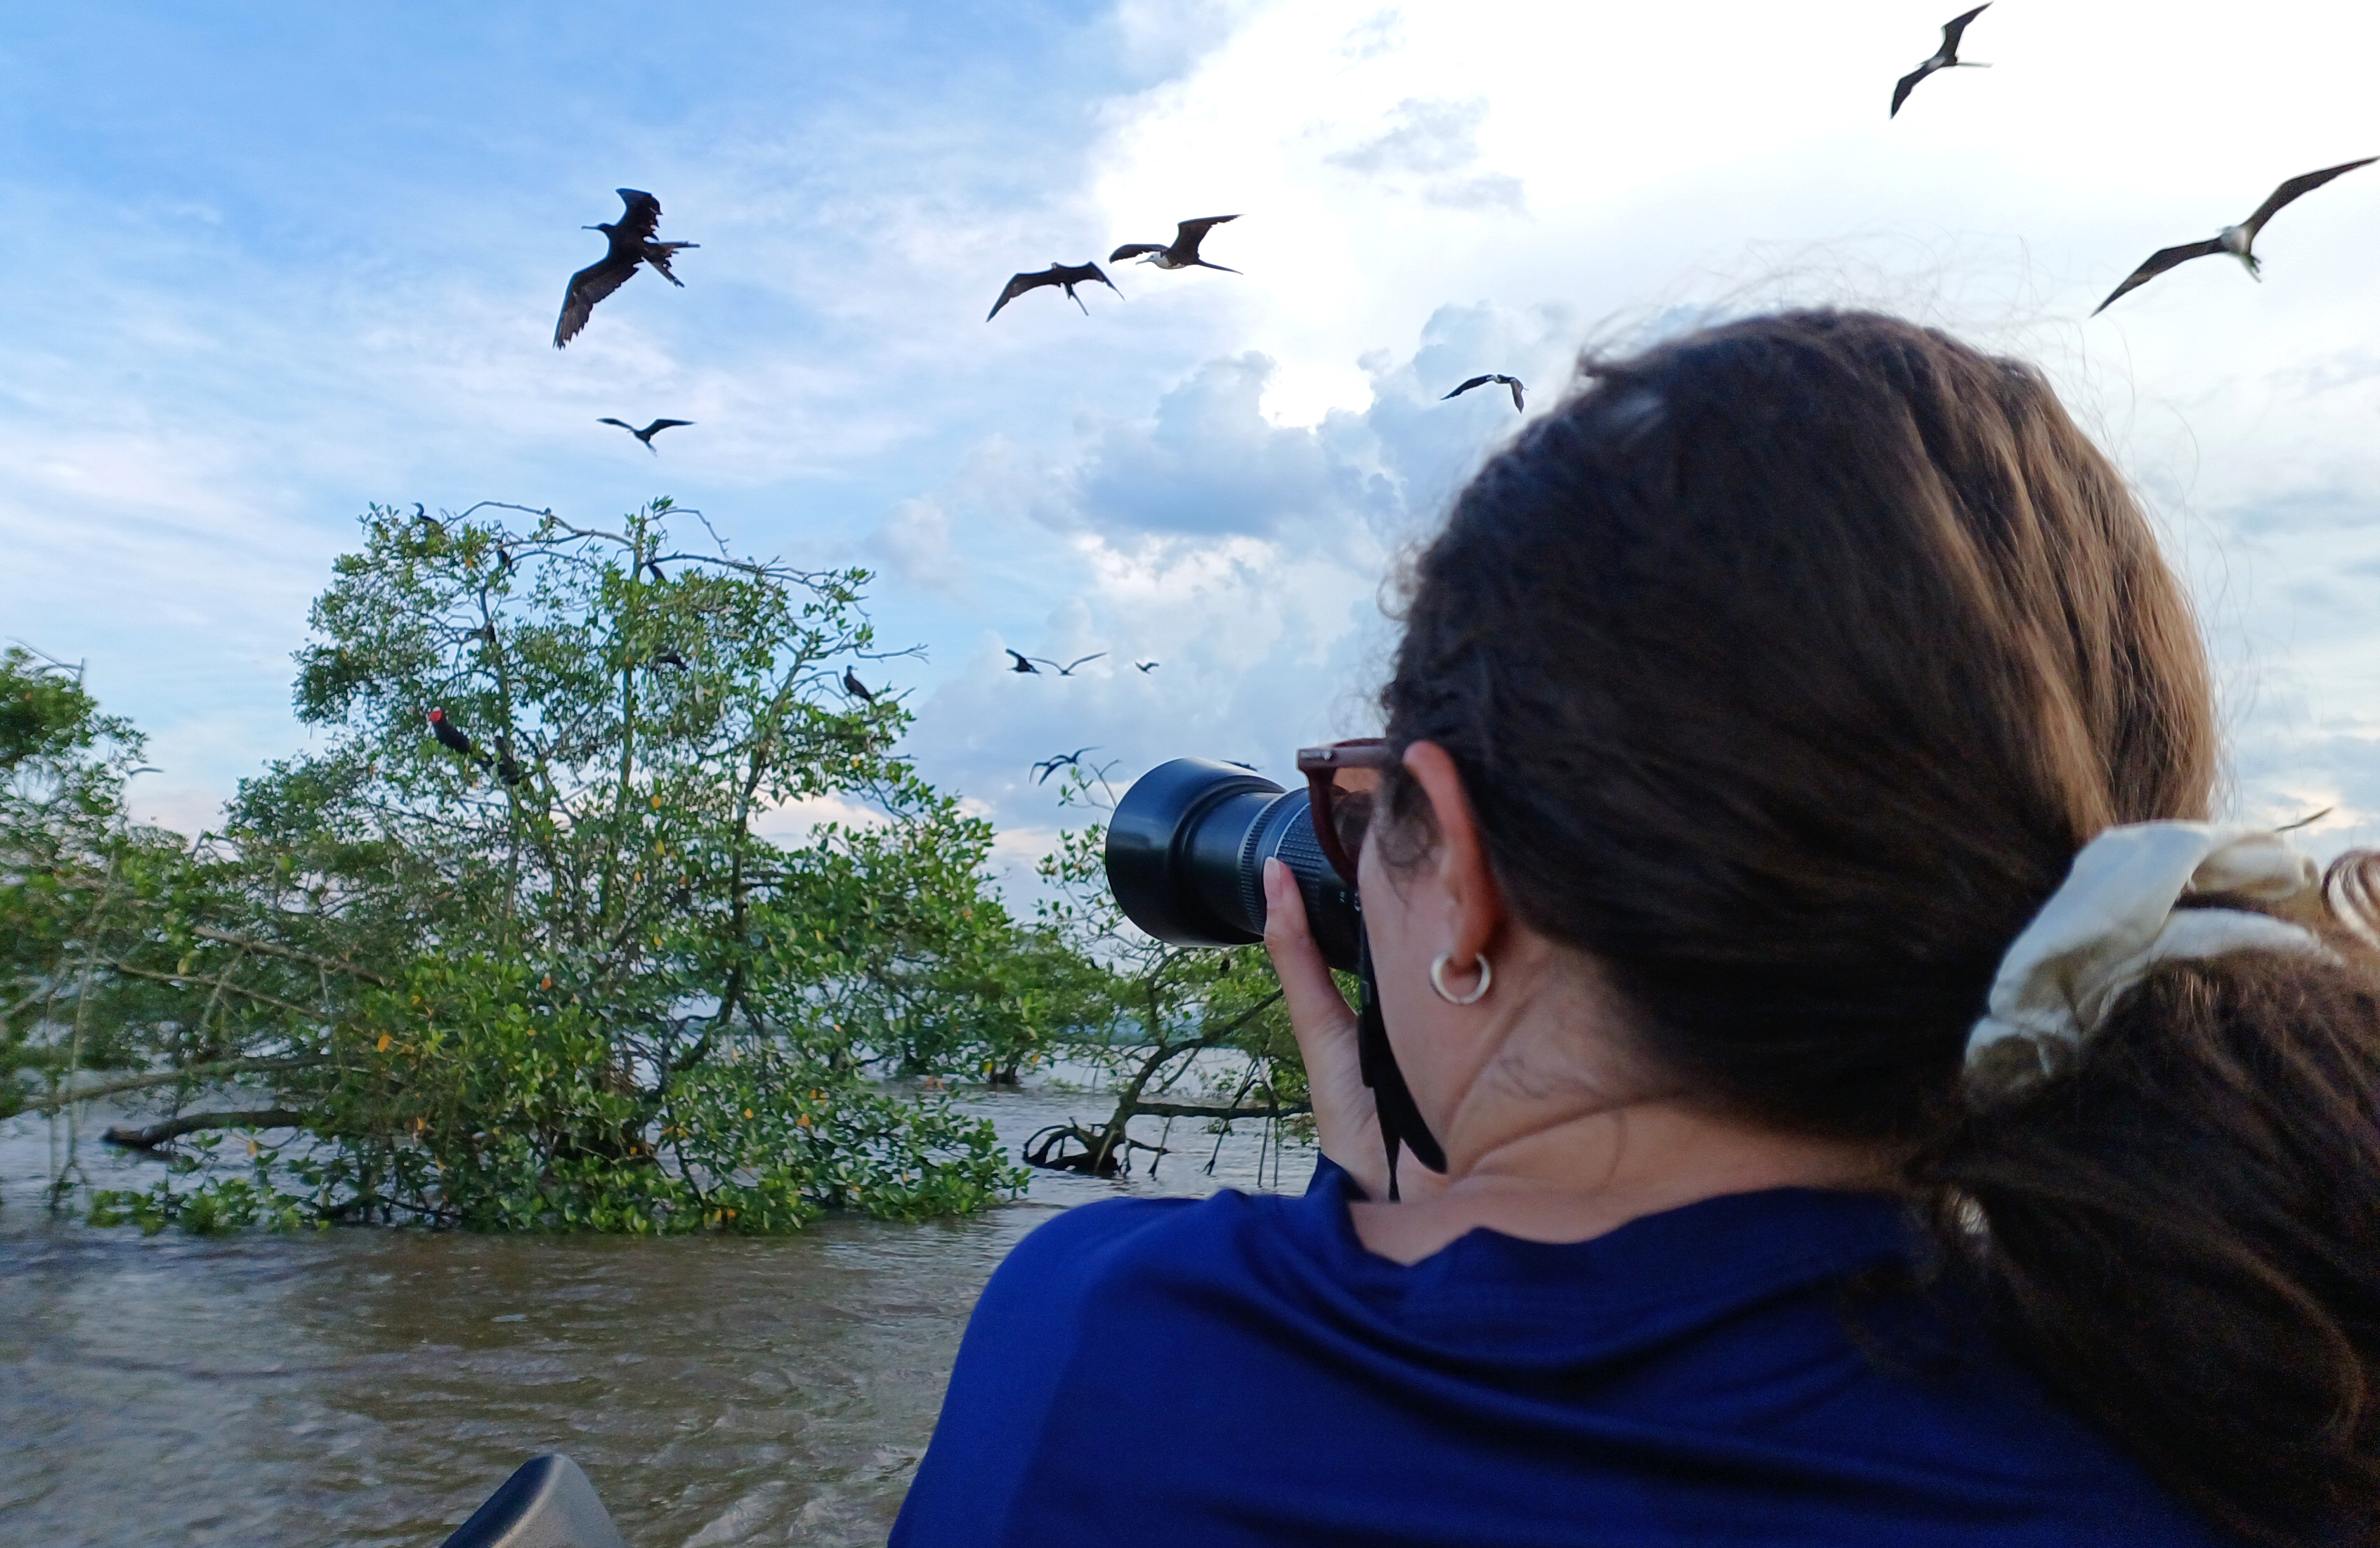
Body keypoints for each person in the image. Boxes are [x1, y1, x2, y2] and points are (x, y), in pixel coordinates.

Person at [891, 310, 2380, 1547]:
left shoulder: (1109, 1349)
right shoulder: (2256, 1417)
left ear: (1457, 872)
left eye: (1360, 819)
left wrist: (1365, 1236)